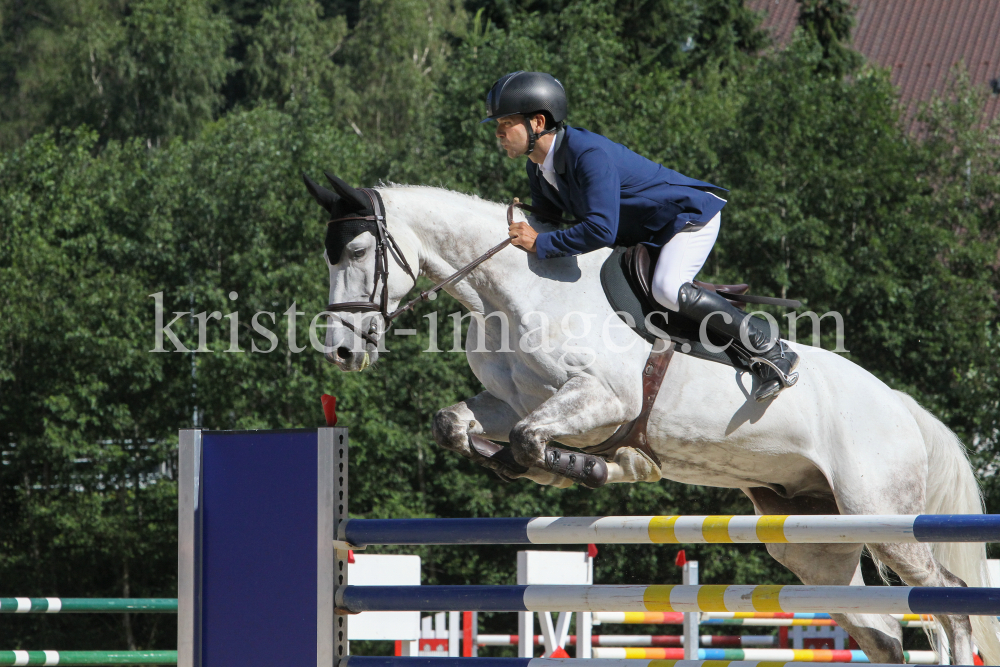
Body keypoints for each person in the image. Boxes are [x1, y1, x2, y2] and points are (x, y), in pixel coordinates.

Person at [485, 70, 798, 402]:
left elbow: (598, 229)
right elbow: (549, 221)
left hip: (686, 219)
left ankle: (772, 351)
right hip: (644, 233)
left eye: (506, 123)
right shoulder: (538, 166)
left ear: (537, 122)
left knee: (667, 289)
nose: (499, 133)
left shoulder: (587, 155)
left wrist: (541, 243)